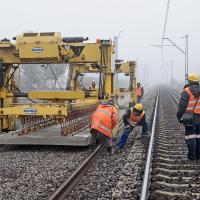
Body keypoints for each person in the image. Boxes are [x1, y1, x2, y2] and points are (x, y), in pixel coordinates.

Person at [176, 72, 200, 160]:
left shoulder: (186, 91)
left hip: (190, 118)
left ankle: (191, 156)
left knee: (190, 137)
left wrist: (179, 116)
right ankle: (198, 155)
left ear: (189, 80)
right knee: (198, 136)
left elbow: (182, 106)